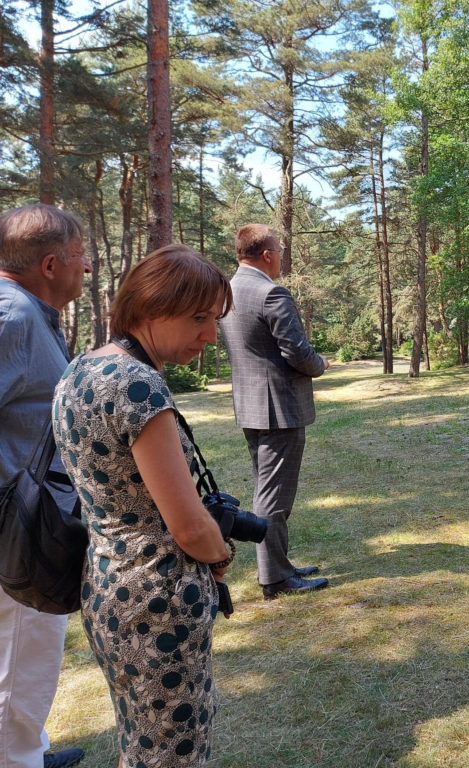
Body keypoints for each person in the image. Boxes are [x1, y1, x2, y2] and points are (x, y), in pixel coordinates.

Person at [50, 245, 233, 768]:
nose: (210, 334)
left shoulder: (82, 368)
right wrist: (220, 555)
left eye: (214, 319)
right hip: (158, 599)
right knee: (172, 753)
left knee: (141, 740)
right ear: (152, 306)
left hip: (108, 584)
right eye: (198, 318)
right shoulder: (138, 385)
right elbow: (188, 526)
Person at [0, 204, 88, 768]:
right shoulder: (11, 316)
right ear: (50, 265)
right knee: (22, 654)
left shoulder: (24, 311)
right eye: (80, 257)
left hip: (24, 520)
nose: (88, 267)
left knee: (23, 653)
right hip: (16, 528)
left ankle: (23, 750)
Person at [219, 225, 328, 599]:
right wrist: (320, 364)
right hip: (279, 407)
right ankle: (275, 578)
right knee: (274, 497)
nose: (281, 257)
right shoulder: (271, 293)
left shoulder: (229, 290)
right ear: (267, 255)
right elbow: (296, 351)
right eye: (279, 251)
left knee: (268, 489)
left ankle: (279, 567)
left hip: (252, 405)